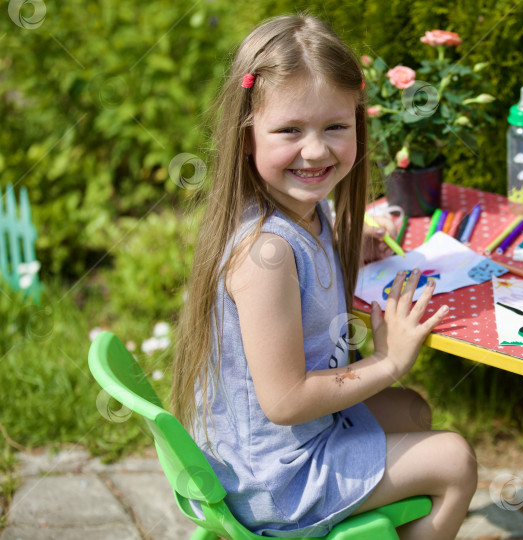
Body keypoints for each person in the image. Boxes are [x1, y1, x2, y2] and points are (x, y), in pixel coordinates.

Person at [171, 14, 477, 540]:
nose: (316, 151)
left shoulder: (307, 213)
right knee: (455, 461)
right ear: (246, 138)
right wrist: (388, 361)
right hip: (275, 478)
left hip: (290, 444)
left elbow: (306, 281)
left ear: (358, 121)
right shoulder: (264, 252)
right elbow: (286, 401)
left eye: (335, 126)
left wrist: (342, 249)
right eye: (290, 130)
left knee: (413, 410)